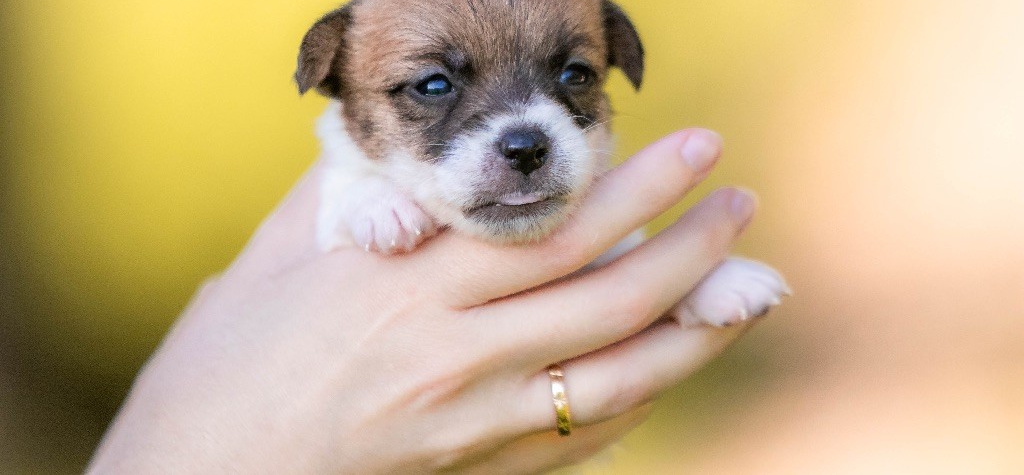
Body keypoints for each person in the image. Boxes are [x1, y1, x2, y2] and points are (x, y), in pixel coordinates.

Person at [87, 129, 779, 474]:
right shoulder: (344, 186)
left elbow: (599, 261)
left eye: (570, 75)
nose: (519, 124)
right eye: (437, 86)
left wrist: (670, 287)